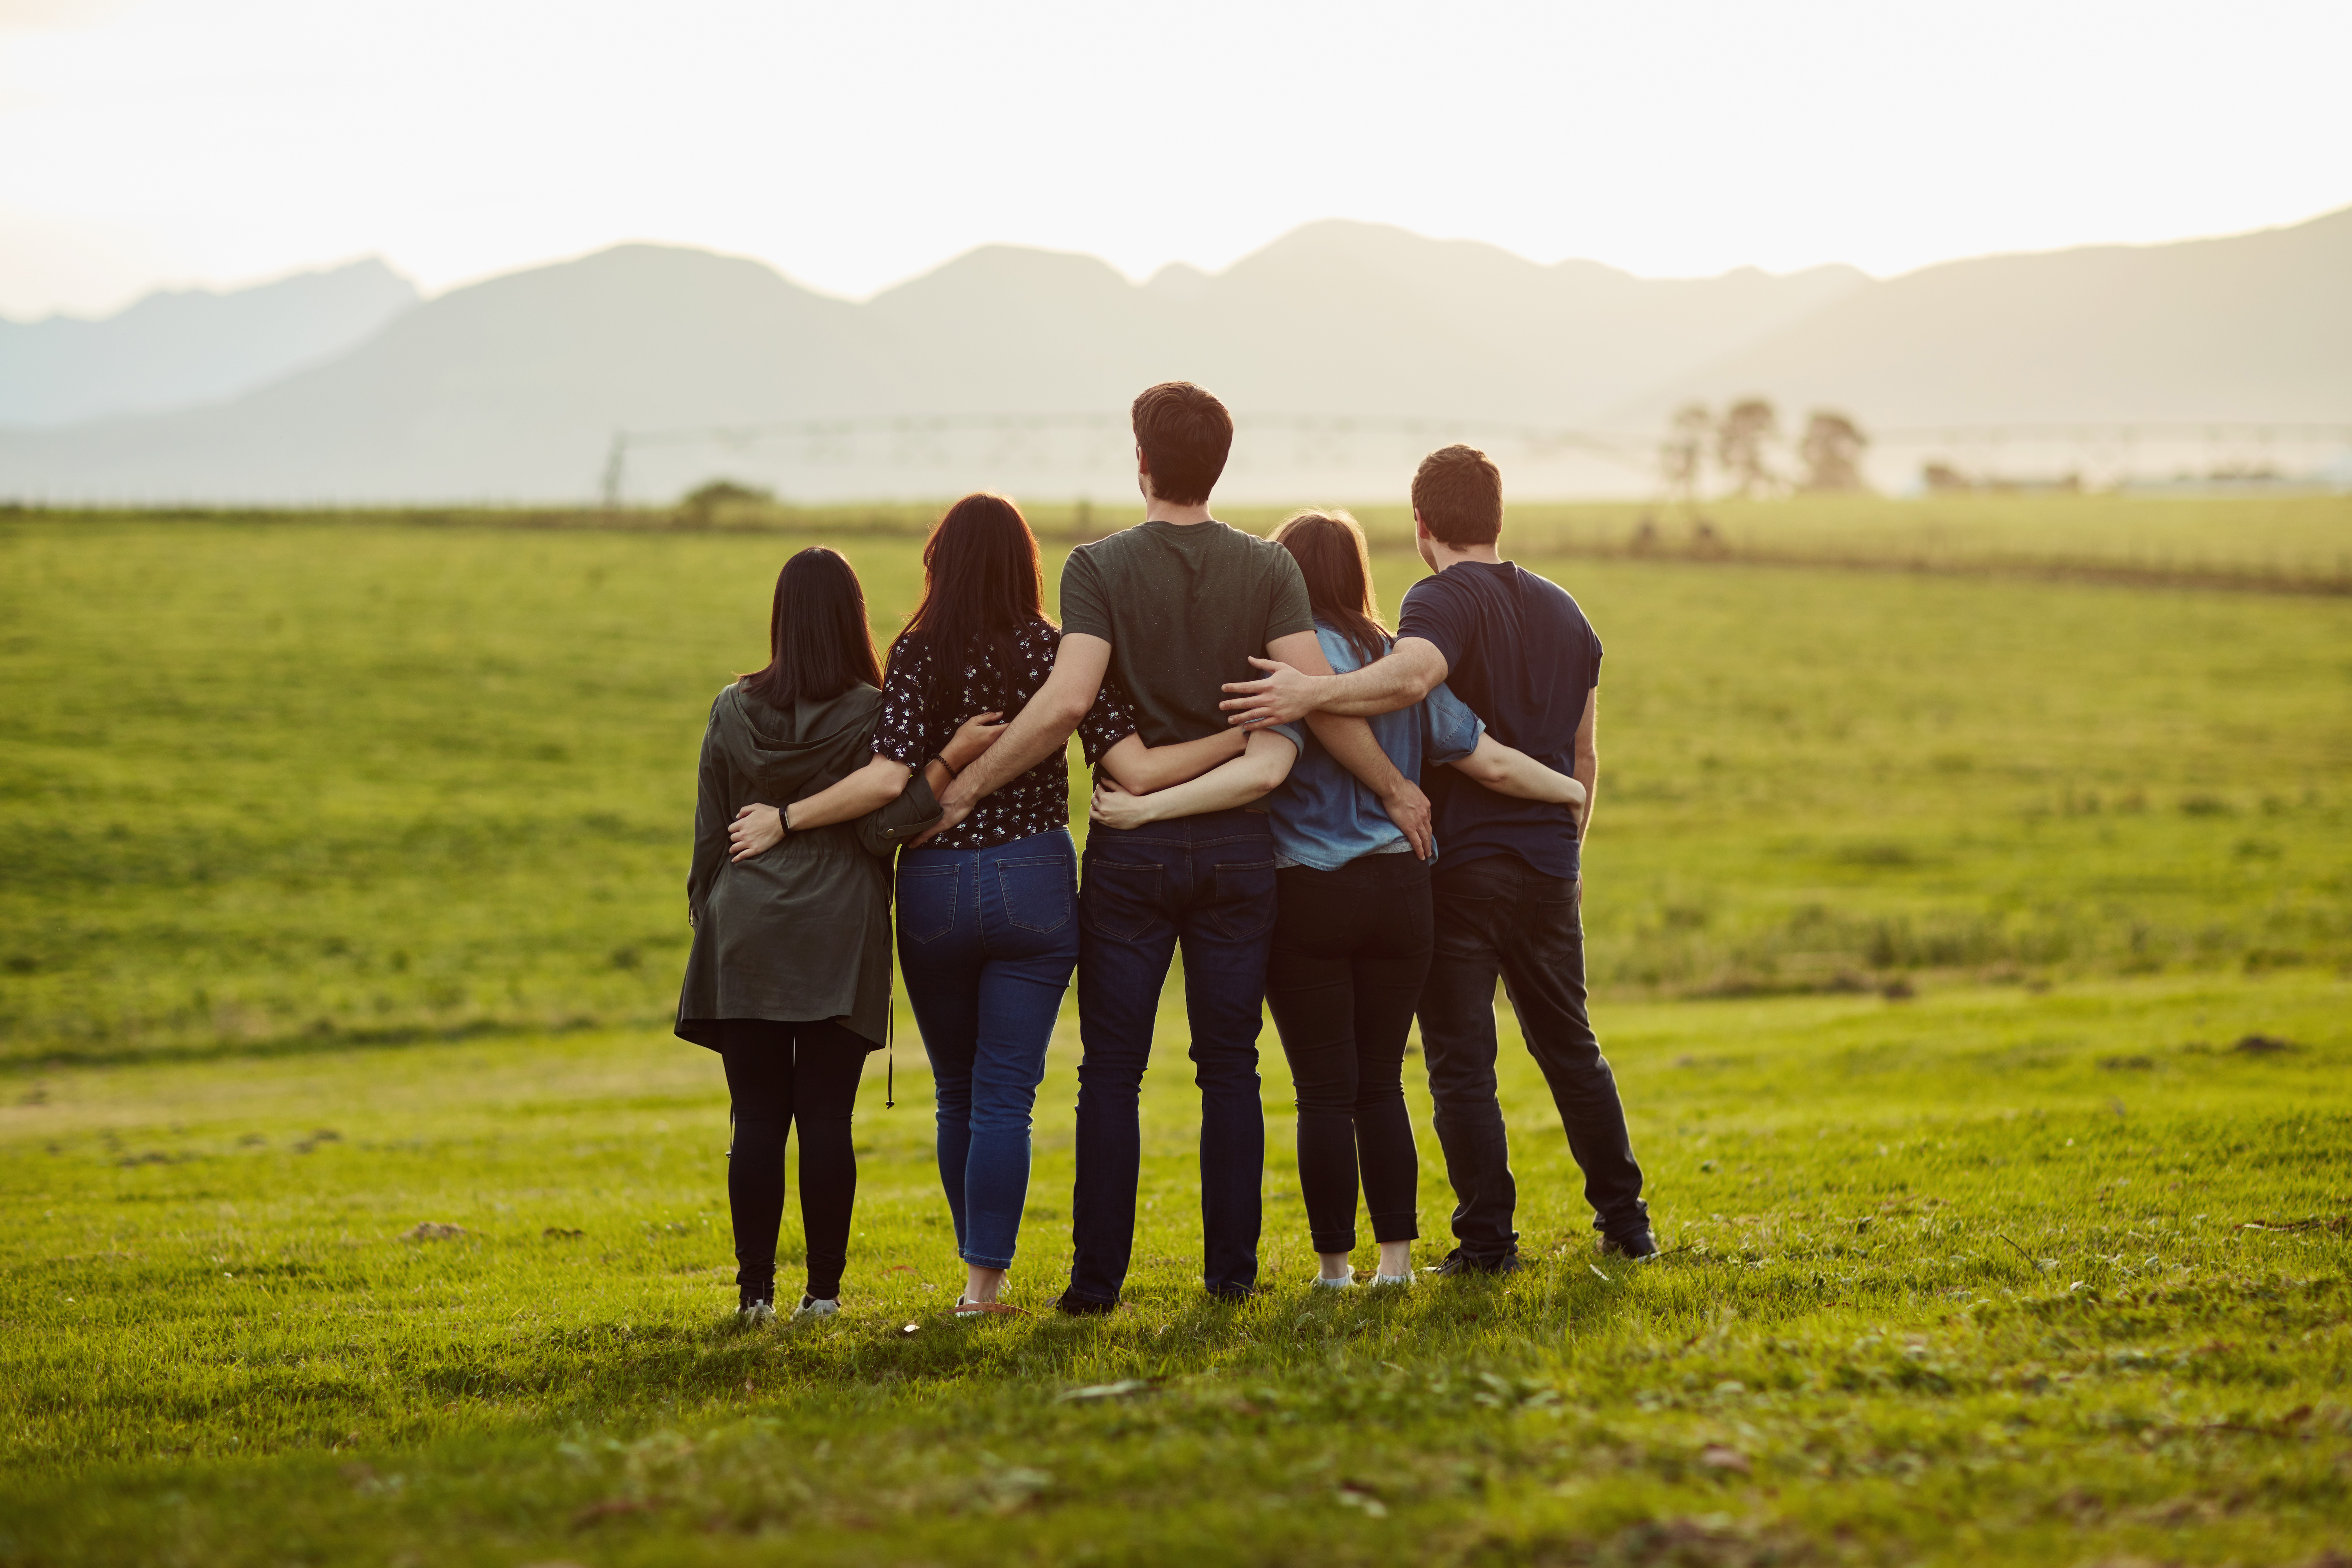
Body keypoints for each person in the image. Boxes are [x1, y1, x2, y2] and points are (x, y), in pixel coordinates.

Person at [927, 382, 1425, 1310]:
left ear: (1143, 461)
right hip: (1239, 852)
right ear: (1220, 465)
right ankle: (1231, 1278)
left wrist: (968, 785)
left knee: (1110, 1071)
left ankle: (1095, 1285)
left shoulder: (1097, 567)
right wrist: (1393, 785)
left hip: (1129, 850)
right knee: (1227, 1065)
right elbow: (1306, 714)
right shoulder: (1269, 571)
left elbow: (1069, 703)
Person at [1102, 509, 1584, 1288]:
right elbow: (1489, 760)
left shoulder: (1283, 669)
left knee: (1322, 1090)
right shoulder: (1396, 660)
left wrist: (1145, 805)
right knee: (1382, 1083)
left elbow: (1258, 767)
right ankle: (1395, 1263)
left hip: (1308, 891)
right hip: (1403, 891)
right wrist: (1571, 790)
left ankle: (1334, 1266)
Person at [1220, 446, 1657, 1270]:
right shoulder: (1570, 613)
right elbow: (1582, 757)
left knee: (1462, 1064)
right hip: (1547, 867)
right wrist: (1570, 839)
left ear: (1422, 525)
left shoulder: (1438, 597)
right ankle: (1626, 1221)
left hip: (1457, 869)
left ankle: (1488, 1239)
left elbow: (1414, 676)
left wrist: (1309, 694)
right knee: (1571, 1045)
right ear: (1499, 515)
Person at [872, 493, 1248, 1316]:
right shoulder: (1055, 648)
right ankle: (983, 1286)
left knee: (955, 1092)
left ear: (938, 562)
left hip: (934, 881)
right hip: (1034, 879)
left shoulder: (914, 651)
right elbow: (1135, 765)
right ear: (1028, 566)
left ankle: (983, 1281)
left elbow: (889, 789)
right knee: (1008, 1093)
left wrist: (948, 773)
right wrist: (1243, 738)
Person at [677, 546, 955, 1325]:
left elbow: (710, 833)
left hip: (747, 929)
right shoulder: (874, 714)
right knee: (828, 1117)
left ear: (780, 620)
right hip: (840, 928)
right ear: (852, 618)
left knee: (756, 1117)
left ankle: (754, 1295)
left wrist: (712, 919)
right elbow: (880, 831)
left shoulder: (731, 709)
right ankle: (823, 1295)